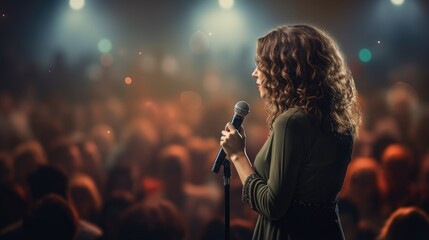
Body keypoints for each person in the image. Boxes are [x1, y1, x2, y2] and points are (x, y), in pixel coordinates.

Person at [220, 24, 361, 239]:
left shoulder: (292, 122)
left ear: (284, 69)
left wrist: (238, 155)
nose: (254, 73)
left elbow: (272, 206)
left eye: (261, 64)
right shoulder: (340, 120)